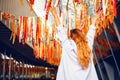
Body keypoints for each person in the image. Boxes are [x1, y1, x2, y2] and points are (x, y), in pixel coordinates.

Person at [50, 7, 99, 80]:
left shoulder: (68, 46)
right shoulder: (88, 45)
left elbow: (60, 29)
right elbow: (92, 29)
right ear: (81, 36)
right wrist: (96, 17)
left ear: (70, 37)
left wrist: (54, 14)